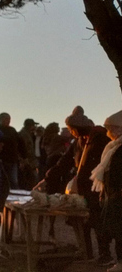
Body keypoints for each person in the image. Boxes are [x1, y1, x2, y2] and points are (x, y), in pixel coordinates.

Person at [41, 106, 110, 262]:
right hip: (82, 187)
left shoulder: (101, 139)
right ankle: (86, 251)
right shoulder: (78, 142)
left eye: (72, 129)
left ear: (78, 128)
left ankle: (105, 254)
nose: (71, 132)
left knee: (98, 220)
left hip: (98, 187)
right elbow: (64, 162)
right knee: (80, 221)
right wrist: (48, 177)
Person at [90, 111, 122, 272]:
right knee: (116, 228)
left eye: (112, 128)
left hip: (118, 194)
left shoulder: (118, 148)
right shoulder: (112, 147)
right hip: (112, 193)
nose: (110, 132)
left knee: (118, 228)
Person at [0, 112, 26, 189]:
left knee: (14, 180)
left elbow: (20, 143)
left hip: (12, 159)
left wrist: (24, 157)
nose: (8, 121)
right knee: (2, 179)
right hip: (0, 159)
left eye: (9, 119)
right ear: (1, 119)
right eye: (6, 119)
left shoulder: (12, 130)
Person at [18, 118, 39, 190]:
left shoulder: (28, 134)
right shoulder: (24, 135)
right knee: (30, 180)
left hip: (28, 161)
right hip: (27, 161)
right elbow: (26, 149)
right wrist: (24, 160)